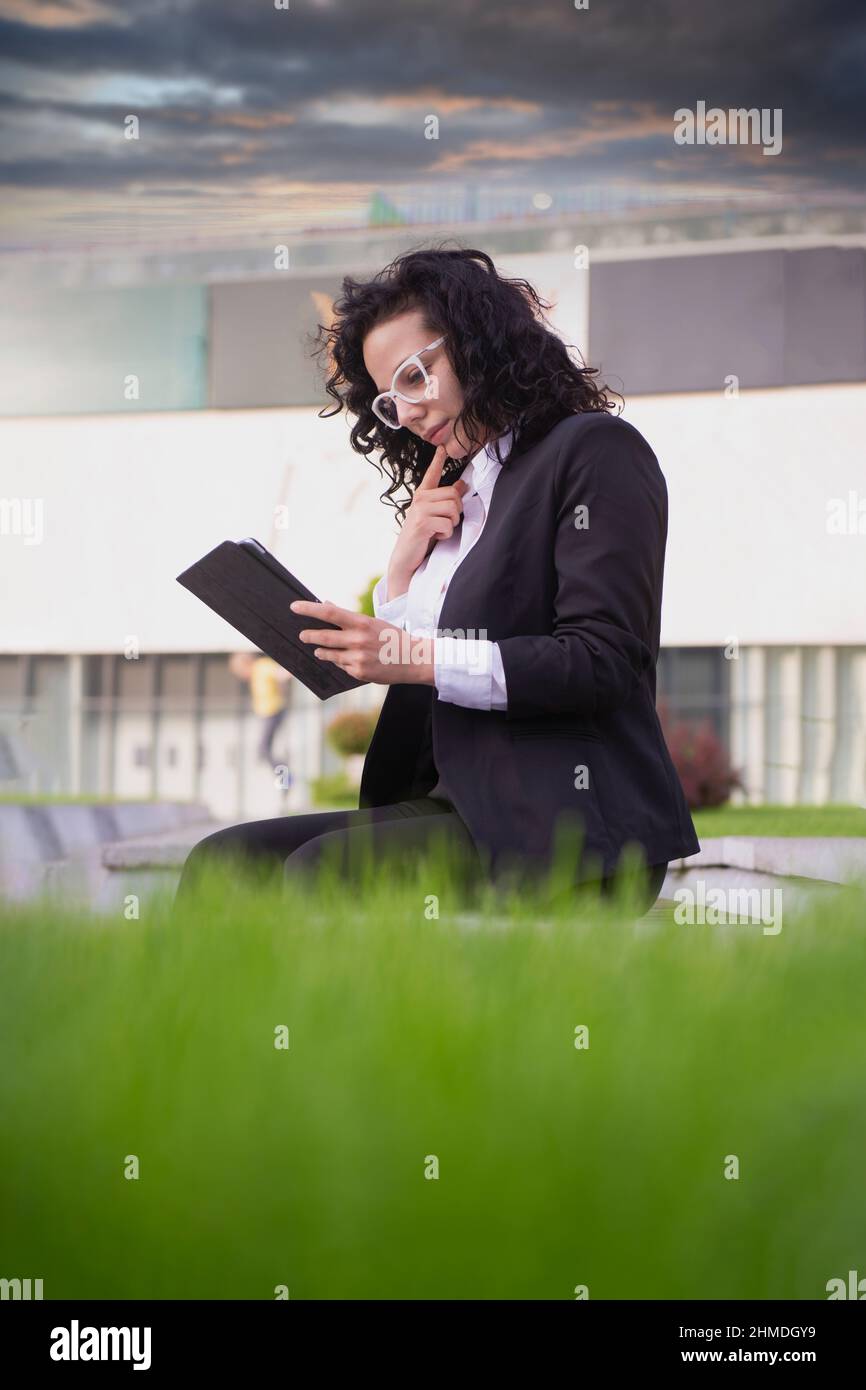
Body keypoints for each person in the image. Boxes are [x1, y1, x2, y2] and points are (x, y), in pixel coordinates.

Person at [176, 246, 700, 914]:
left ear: (479, 342)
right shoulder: (459, 491)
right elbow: (423, 663)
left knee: (321, 873)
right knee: (224, 862)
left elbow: (602, 661)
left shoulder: (594, 451)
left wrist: (411, 655)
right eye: (391, 401)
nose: (413, 410)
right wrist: (402, 569)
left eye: (418, 375)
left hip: (567, 822)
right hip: (458, 805)